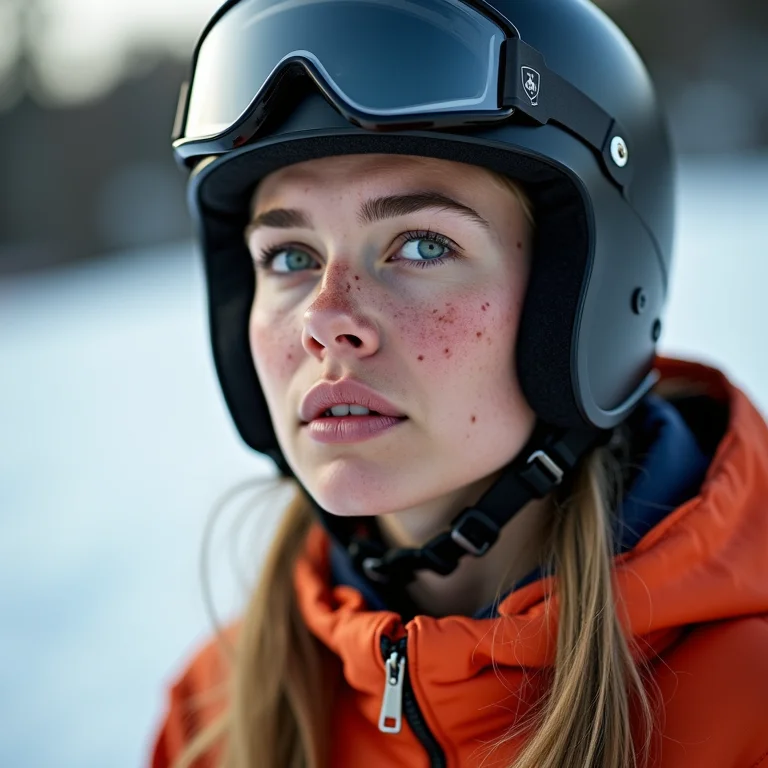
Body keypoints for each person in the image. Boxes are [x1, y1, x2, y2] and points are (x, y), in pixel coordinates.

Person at [150, 0, 768, 766]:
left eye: (420, 245)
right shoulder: (215, 714)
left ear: (591, 298)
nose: (326, 320)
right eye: (289, 257)